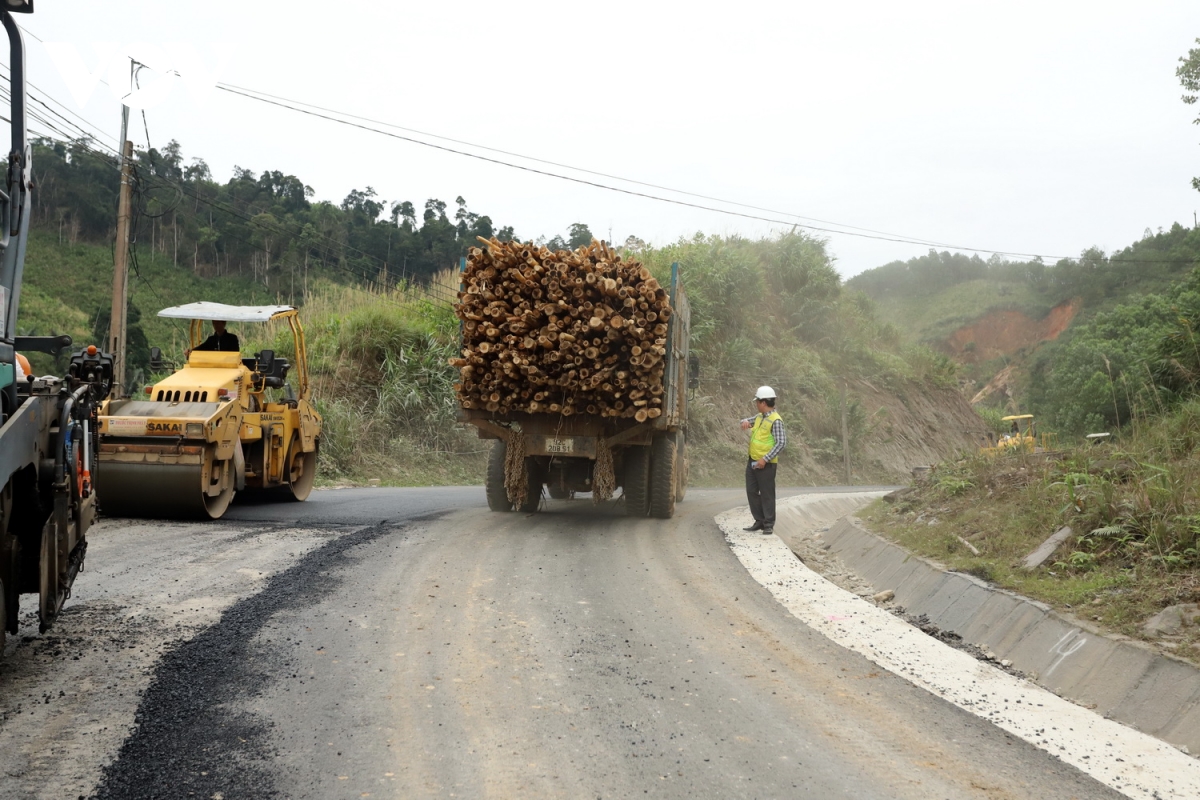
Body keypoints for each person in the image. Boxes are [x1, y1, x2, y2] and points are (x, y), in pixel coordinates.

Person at [740, 385, 786, 535]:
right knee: (751, 491)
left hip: (766, 464)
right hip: (752, 460)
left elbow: (781, 443)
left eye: (757, 402)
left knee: (767, 493)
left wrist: (765, 459)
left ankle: (768, 524)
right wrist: (745, 422)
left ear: (764, 403)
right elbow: (746, 420)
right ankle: (759, 520)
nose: (756, 404)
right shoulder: (759, 417)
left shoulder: (776, 420)